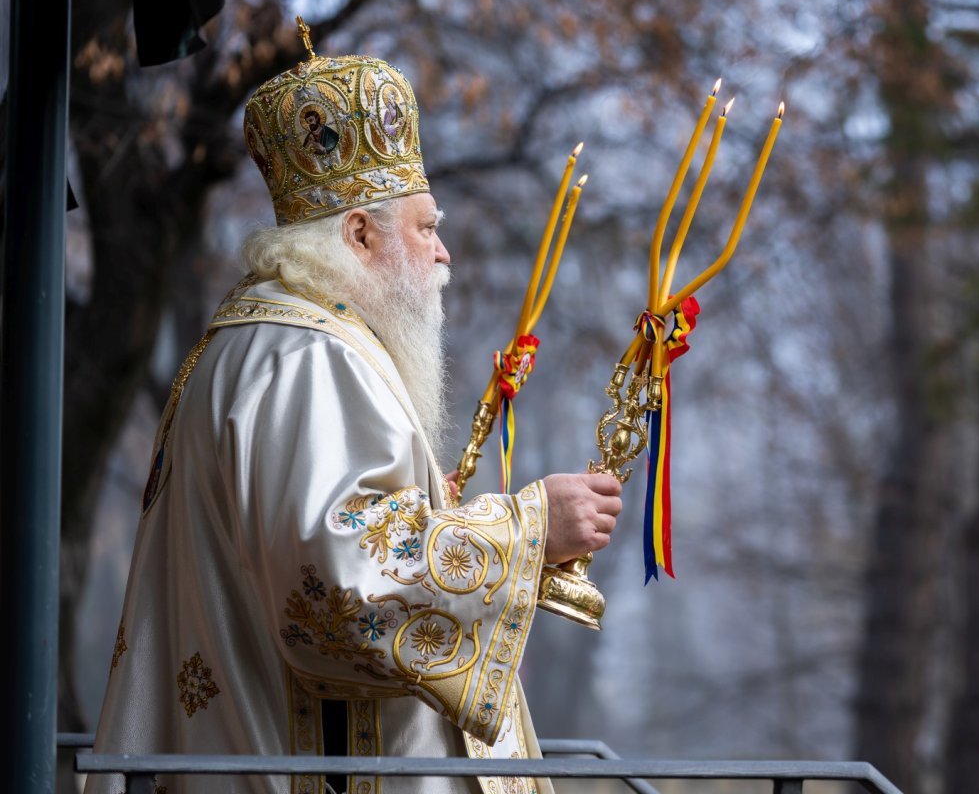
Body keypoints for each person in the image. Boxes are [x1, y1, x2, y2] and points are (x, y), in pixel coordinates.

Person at [85, 50, 621, 794]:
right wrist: (527, 530)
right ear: (360, 234)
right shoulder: (310, 355)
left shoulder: (259, 339)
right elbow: (336, 592)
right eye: (427, 226)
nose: (444, 252)